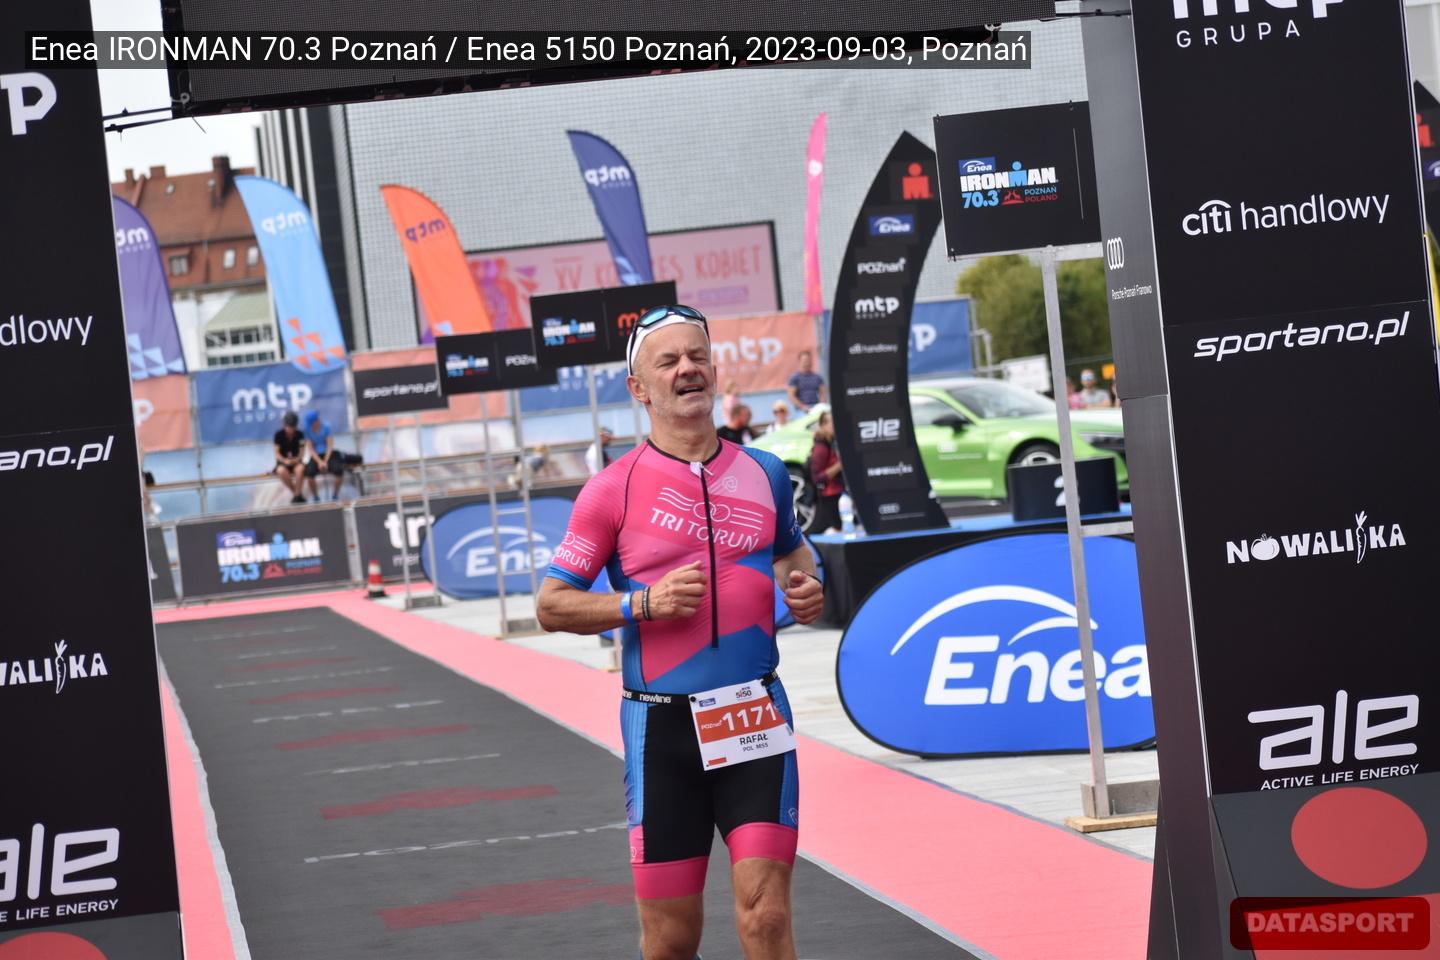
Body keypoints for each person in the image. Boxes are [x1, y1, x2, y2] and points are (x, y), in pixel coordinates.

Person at [536, 304, 823, 960]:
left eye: (697, 356)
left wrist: (807, 586)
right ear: (639, 388)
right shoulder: (611, 490)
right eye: (668, 362)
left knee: (767, 915)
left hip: (752, 711)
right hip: (661, 729)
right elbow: (552, 605)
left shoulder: (765, 472)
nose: (687, 369)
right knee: (671, 940)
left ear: (714, 370)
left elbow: (792, 553)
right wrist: (642, 604)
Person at [808, 411, 845, 534]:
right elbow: (817, 477)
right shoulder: (821, 447)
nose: (835, 425)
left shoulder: (833, 441)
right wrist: (839, 465)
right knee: (832, 530)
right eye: (832, 422)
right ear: (823, 425)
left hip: (839, 493)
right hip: (829, 496)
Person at [302, 409, 344, 501]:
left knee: (339, 470)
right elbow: (311, 449)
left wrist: (325, 461)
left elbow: (330, 446)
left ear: (316, 421)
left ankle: (335, 495)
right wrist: (319, 462)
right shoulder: (307, 430)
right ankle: (316, 497)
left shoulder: (326, 427)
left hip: (328, 454)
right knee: (309, 473)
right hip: (316, 456)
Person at [273, 411, 307, 504]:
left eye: (293, 427)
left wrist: (297, 459)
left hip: (296, 461)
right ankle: (297, 494)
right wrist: (285, 461)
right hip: (283, 461)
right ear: (284, 425)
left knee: (300, 469)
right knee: (281, 471)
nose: (291, 429)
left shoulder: (300, 434)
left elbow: (302, 451)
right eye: (289, 427)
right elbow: (277, 453)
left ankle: (297, 495)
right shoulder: (278, 435)